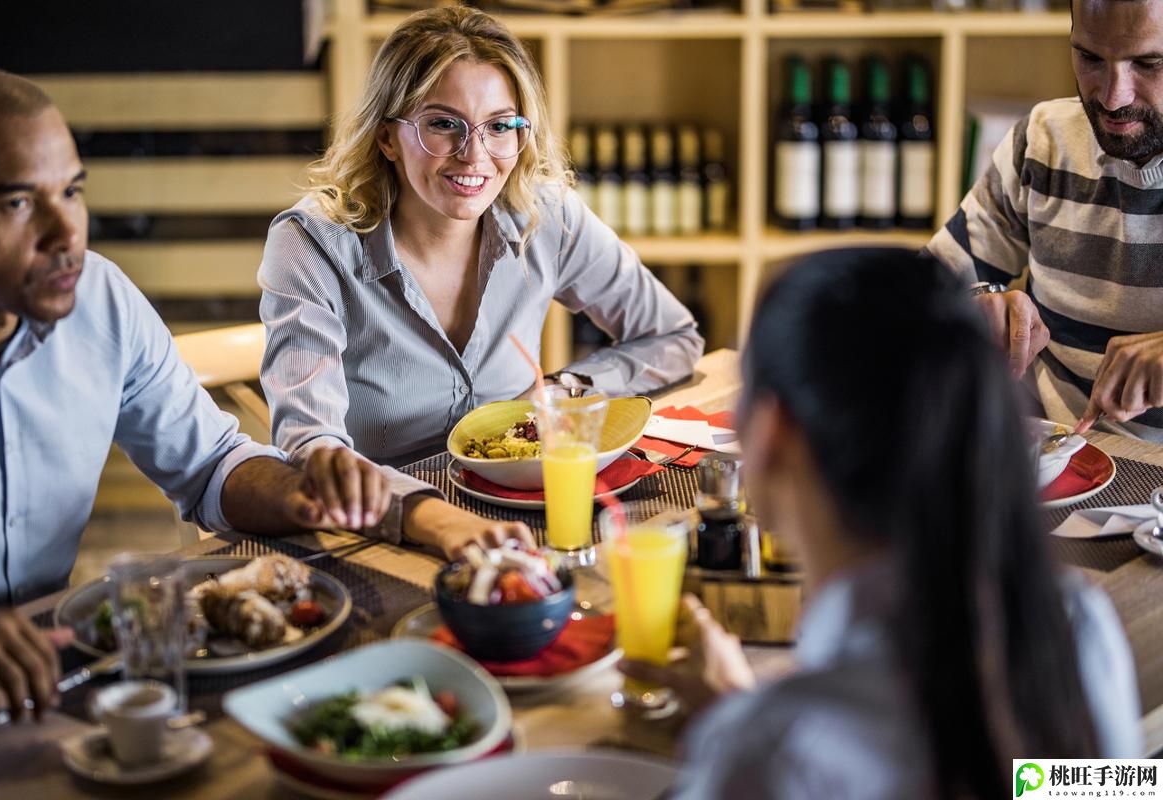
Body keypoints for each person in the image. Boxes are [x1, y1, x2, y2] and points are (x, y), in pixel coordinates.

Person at [0, 67, 523, 725]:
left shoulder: (101, 301)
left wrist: (296, 492)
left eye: (72, 192)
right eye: (19, 203)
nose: (67, 234)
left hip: (51, 674)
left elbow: (209, 466)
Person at [622, 248, 1142, 798]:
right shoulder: (1078, 624)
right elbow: (1092, 787)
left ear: (773, 436)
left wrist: (742, 726)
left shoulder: (773, 753)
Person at [256, 8, 703, 503]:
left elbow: (674, 336)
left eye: (499, 126)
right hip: (387, 519)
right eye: (444, 124)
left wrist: (569, 386)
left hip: (525, 508)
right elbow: (312, 447)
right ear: (386, 137)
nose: (474, 155)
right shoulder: (312, 242)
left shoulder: (546, 215)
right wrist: (429, 518)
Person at [927, 0, 1163, 440]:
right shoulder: (1042, 143)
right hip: (1052, 463)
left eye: (1149, 63)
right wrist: (977, 302)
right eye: (1090, 58)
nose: (1114, 97)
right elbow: (916, 294)